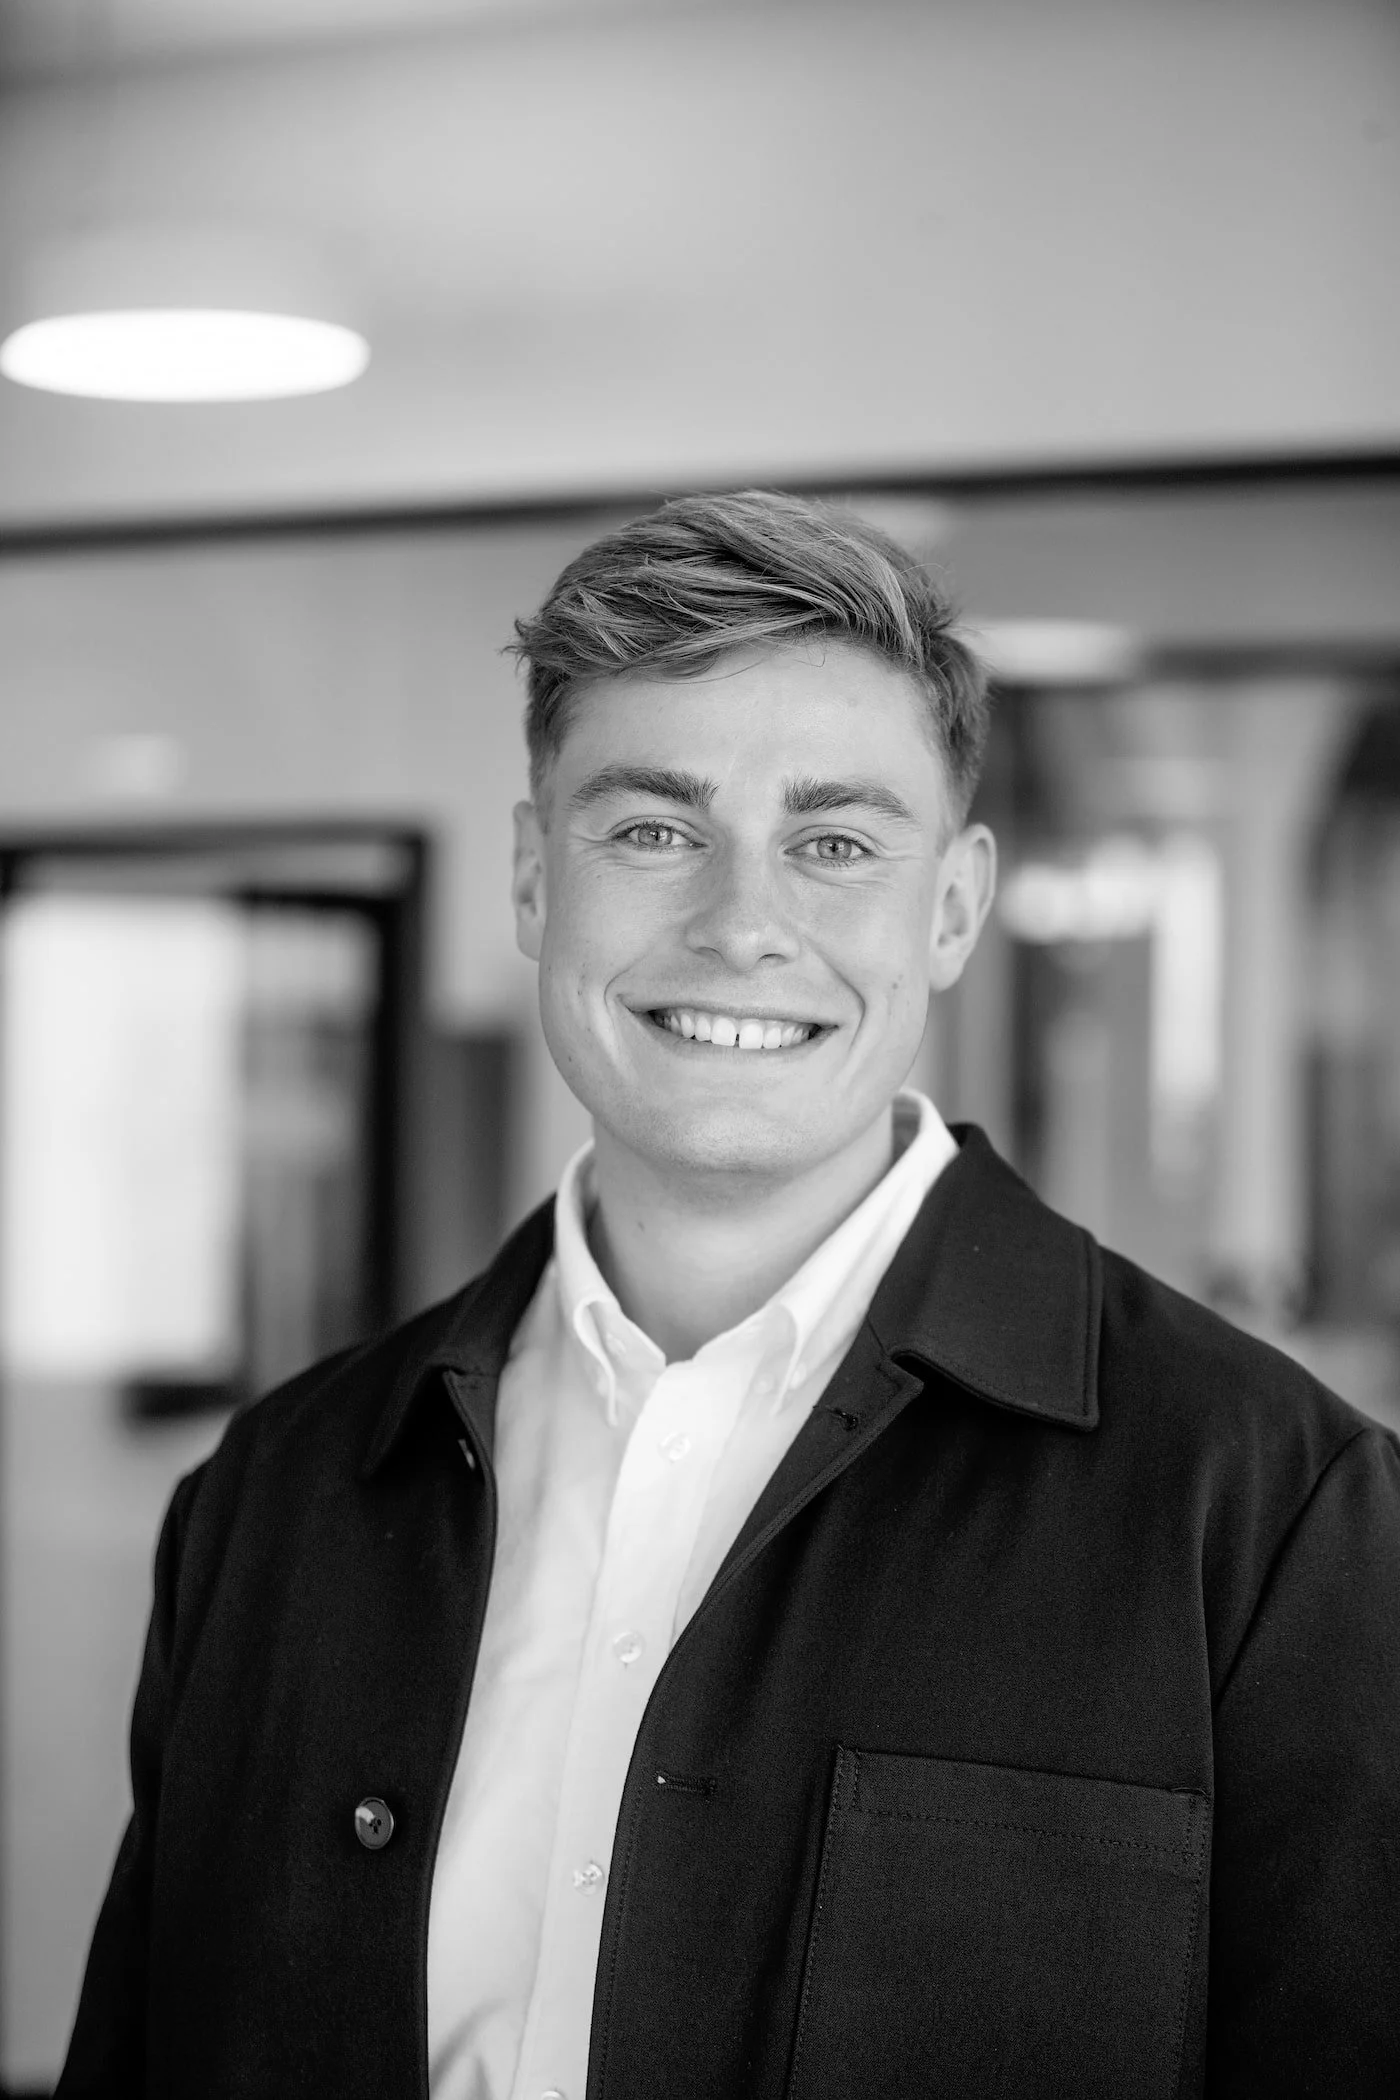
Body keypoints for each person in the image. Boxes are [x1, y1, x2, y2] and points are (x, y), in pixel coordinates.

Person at [57, 490, 1400, 2099]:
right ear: (535, 879)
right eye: (651, 829)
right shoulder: (270, 1502)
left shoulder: (1277, 1517)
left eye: (835, 843)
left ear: (956, 906)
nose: (743, 924)